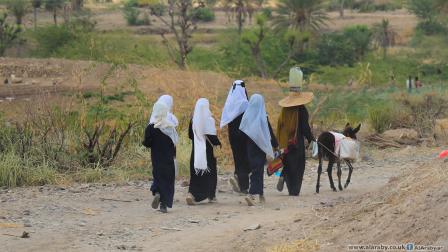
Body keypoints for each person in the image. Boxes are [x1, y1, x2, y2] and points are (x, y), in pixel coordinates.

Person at [277, 67, 315, 196]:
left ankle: (288, 185)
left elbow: (280, 124)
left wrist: (280, 141)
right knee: (298, 165)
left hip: (285, 142)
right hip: (296, 141)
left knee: (287, 163)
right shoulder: (301, 110)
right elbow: (305, 127)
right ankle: (295, 190)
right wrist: (311, 139)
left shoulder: (284, 109)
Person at [239, 94, 278, 206]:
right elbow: (269, 132)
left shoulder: (247, 116)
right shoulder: (263, 116)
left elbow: (242, 133)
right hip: (260, 148)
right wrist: (275, 145)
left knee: (257, 169)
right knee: (257, 169)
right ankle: (251, 194)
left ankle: (260, 193)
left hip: (250, 148)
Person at [143, 98, 179, 213]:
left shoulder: (151, 127)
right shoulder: (170, 127)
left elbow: (147, 143)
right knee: (168, 180)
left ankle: (157, 192)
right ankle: (164, 205)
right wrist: (174, 156)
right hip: (168, 159)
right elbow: (174, 143)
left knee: (158, 176)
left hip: (156, 159)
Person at [187, 98, 221, 205]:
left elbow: (190, 135)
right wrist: (219, 144)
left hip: (196, 152)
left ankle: (192, 194)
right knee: (210, 174)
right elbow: (212, 137)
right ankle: (211, 195)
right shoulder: (209, 120)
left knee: (195, 174)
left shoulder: (193, 121)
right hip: (208, 154)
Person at [220, 80, 250, 194]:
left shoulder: (229, 103)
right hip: (245, 136)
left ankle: (238, 176)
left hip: (233, 136)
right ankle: (244, 186)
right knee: (245, 159)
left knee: (238, 158)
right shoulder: (245, 103)